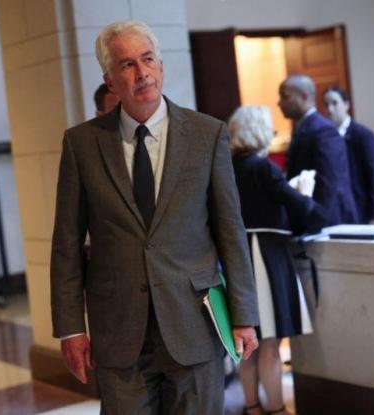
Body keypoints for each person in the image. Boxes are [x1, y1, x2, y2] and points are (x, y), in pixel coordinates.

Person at [50, 20, 259, 414]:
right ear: (110, 81)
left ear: (161, 66)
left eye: (148, 60)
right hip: (118, 331)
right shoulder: (82, 144)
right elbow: (66, 243)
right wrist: (71, 328)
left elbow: (230, 230)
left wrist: (244, 315)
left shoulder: (207, 134)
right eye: (127, 64)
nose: (142, 72)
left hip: (194, 323)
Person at [229, 106, 323, 415]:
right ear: (258, 131)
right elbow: (300, 207)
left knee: (247, 346)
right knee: (269, 342)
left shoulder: (227, 167)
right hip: (266, 255)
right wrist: (304, 192)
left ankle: (252, 407)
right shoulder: (262, 167)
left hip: (238, 256)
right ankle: (277, 409)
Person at [280, 75, 358, 226]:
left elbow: (329, 181)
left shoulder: (323, 130)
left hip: (327, 220)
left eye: (285, 96)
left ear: (304, 97)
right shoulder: (303, 126)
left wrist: (316, 220)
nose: (279, 103)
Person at [323, 87, 374, 224]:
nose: (330, 109)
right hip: (338, 211)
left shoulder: (363, 135)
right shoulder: (325, 136)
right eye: (326, 105)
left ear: (346, 105)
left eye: (334, 103)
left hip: (361, 208)